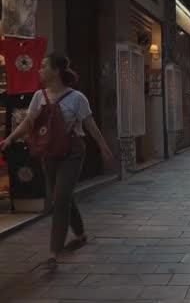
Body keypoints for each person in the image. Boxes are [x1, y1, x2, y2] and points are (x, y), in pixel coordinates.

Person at [0, 54, 113, 267]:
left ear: (56, 71)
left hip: (72, 151)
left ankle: (55, 252)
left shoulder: (77, 98)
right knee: (62, 196)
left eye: (44, 67)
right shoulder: (38, 96)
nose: (39, 71)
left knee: (59, 199)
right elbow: (28, 122)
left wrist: (104, 148)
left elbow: (90, 125)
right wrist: (11, 138)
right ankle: (79, 234)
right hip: (49, 151)